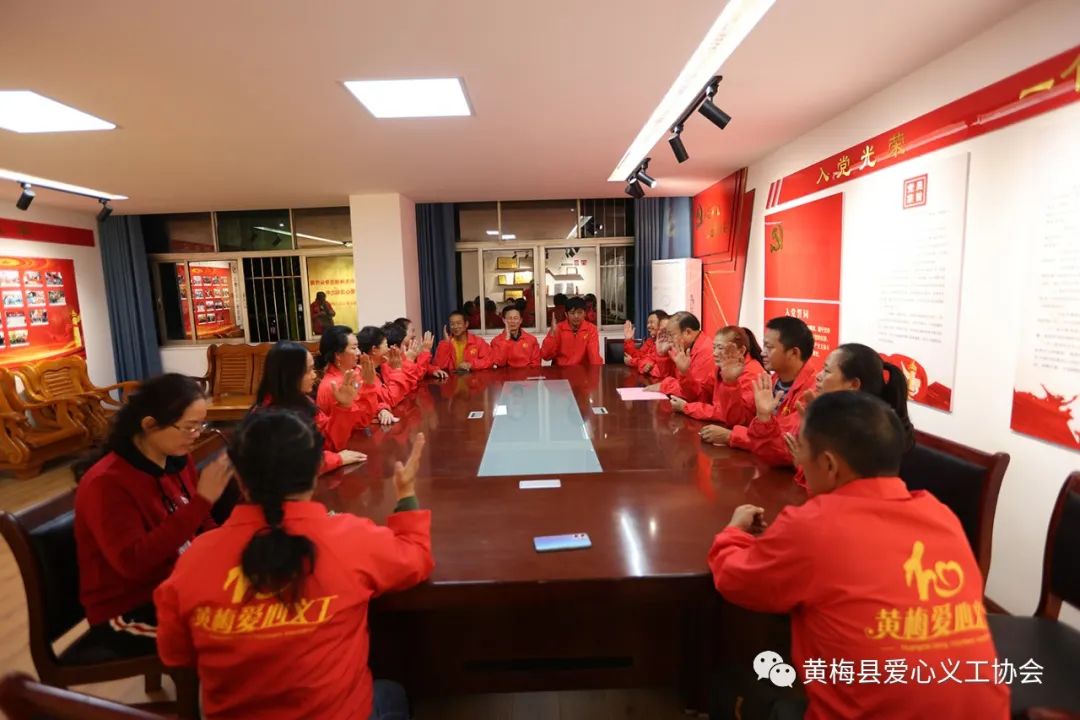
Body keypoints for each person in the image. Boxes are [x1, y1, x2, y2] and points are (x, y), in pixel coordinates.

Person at [708, 392, 1008, 720]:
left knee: (728, 687)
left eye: (802, 449)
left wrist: (733, 533)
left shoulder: (815, 525)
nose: (800, 460)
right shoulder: (942, 516)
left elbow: (734, 579)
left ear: (829, 464)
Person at [155, 410, 434, 720]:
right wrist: (406, 494)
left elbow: (177, 656)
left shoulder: (194, 561)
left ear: (240, 479)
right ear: (316, 470)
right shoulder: (350, 539)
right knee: (393, 692)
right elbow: (416, 558)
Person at [74, 374, 233, 658]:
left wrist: (230, 550)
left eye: (200, 425)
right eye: (189, 427)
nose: (197, 435)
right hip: (128, 609)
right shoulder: (107, 483)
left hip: (176, 584)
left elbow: (202, 524)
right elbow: (133, 562)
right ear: (149, 425)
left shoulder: (177, 460)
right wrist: (201, 502)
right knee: (231, 632)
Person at [700, 316, 817, 460]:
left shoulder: (811, 392)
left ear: (794, 353)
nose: (762, 353)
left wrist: (732, 436)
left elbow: (784, 445)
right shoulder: (771, 381)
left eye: (769, 347)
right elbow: (740, 421)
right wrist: (730, 384)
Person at [253, 340, 367, 473]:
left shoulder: (302, 400)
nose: (314, 375)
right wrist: (337, 459)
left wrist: (344, 405)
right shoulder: (269, 416)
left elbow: (329, 442)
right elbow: (294, 464)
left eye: (313, 369)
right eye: (308, 370)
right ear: (289, 375)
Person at [669, 326, 766, 427]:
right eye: (714, 347)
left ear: (741, 351)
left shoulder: (752, 373)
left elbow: (728, 415)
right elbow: (699, 396)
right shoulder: (720, 368)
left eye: (720, 348)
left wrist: (686, 408)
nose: (714, 353)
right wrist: (685, 373)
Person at [315, 325, 397, 428]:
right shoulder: (334, 385)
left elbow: (367, 403)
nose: (358, 352)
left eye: (357, 347)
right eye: (354, 348)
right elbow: (360, 420)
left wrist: (382, 409)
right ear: (338, 355)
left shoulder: (350, 374)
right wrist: (368, 385)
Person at [646, 312, 714, 402]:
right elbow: (669, 377)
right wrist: (662, 355)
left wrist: (666, 385)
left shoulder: (706, 352)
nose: (669, 339)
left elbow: (697, 395)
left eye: (671, 335)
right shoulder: (685, 346)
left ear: (687, 333)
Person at [357, 325, 414, 409]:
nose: (388, 349)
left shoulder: (379, 367)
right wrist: (397, 369)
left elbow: (403, 391)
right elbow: (390, 399)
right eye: (386, 345)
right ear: (374, 349)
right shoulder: (363, 373)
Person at [540, 296, 602, 366]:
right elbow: (546, 356)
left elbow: (594, 356)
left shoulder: (591, 329)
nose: (576, 316)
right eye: (572, 313)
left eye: (579, 312)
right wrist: (552, 333)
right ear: (566, 314)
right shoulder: (558, 329)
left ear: (585, 313)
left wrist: (597, 371)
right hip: (561, 370)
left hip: (583, 371)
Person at [622, 309, 669, 375]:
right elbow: (638, 356)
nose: (648, 326)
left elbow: (650, 364)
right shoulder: (650, 341)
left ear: (662, 324)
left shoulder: (666, 343)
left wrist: (631, 361)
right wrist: (628, 340)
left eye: (651, 322)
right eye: (648, 323)